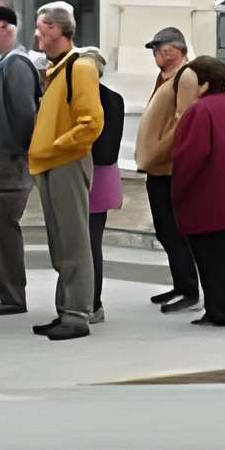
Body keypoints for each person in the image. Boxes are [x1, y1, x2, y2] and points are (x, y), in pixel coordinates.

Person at [27, 3, 104, 340]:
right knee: (61, 243)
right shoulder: (58, 69)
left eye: (41, 27)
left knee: (73, 242)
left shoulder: (80, 68)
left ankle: (77, 315)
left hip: (65, 163)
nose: (37, 34)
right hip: (51, 163)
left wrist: (60, 145)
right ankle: (66, 310)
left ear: (57, 29)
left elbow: (91, 122)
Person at [170, 54, 225, 327]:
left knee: (212, 260)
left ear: (204, 83)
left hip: (211, 202)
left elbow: (190, 156)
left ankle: (220, 310)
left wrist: (177, 190)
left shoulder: (200, 111)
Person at [0, 3, 43, 318]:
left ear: (2, 29)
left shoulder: (15, 65)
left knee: (3, 229)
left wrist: (21, 153)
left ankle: (12, 294)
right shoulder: (9, 64)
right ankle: (6, 291)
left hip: (11, 162)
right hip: (5, 161)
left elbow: (23, 114)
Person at [134, 26, 201, 312]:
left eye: (159, 49)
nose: (155, 54)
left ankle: (190, 289)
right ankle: (181, 284)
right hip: (157, 168)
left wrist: (158, 150)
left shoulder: (185, 78)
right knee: (165, 230)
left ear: (174, 50)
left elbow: (182, 123)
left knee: (175, 230)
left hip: (169, 168)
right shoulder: (165, 78)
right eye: (154, 50)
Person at [87, 63, 127, 323]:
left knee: (88, 245)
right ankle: (92, 302)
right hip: (104, 175)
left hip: (92, 176)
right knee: (92, 242)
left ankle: (91, 302)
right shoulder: (114, 98)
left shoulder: (94, 100)